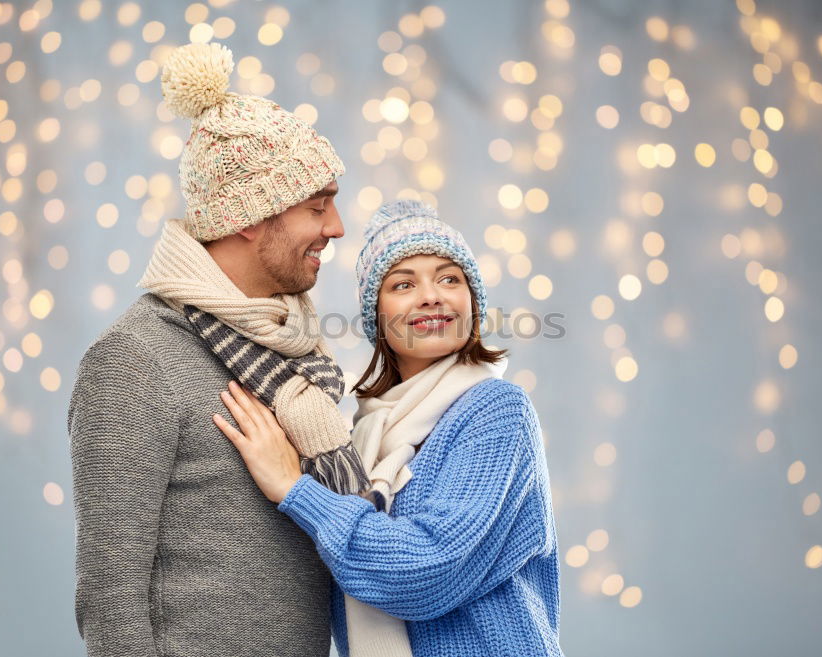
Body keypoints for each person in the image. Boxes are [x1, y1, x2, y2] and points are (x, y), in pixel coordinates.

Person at [67, 42, 375, 657]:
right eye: (317, 207)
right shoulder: (135, 360)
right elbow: (110, 602)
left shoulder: (287, 348)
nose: (337, 227)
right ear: (248, 219)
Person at [215, 200, 564, 656]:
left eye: (449, 278)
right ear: (377, 317)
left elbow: (426, 570)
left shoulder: (496, 411)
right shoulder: (363, 438)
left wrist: (295, 490)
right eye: (403, 284)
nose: (431, 295)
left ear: (472, 302)